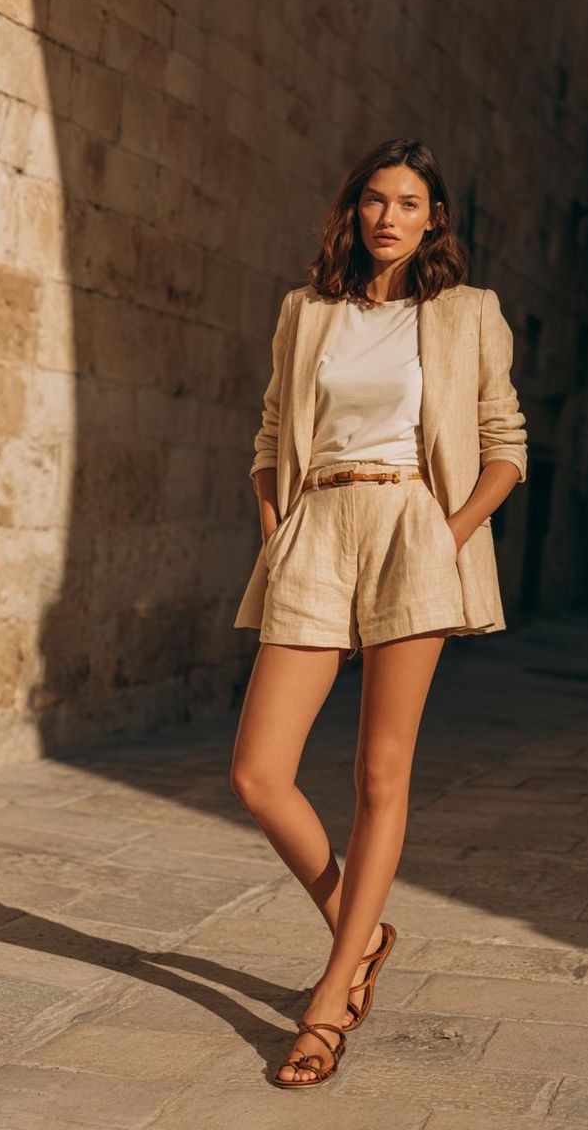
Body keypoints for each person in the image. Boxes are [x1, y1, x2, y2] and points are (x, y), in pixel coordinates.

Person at [229, 138, 528, 1088]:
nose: (389, 216)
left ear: (434, 217)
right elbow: (274, 430)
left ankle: (328, 1000)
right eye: (373, 200)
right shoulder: (306, 311)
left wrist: (450, 532)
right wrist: (275, 524)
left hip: (413, 523)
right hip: (317, 523)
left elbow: (506, 444)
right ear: (352, 212)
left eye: (409, 202)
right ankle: (360, 934)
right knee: (257, 772)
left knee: (377, 773)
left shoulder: (468, 312)